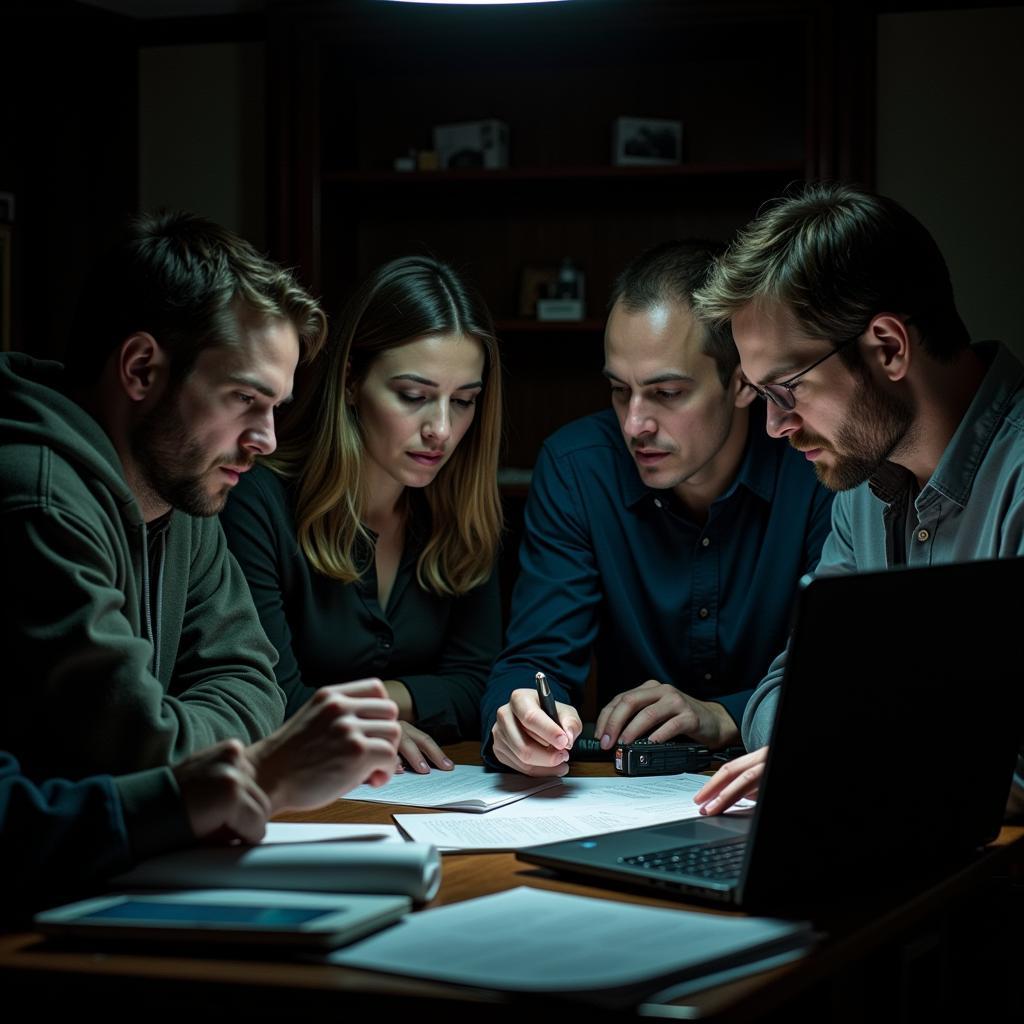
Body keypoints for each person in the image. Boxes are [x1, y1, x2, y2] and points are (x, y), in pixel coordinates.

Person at [0, 211, 401, 808]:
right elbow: (131, 751)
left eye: (275, 407)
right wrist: (249, 760)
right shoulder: (36, 496)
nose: (265, 439)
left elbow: (254, 686)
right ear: (141, 369)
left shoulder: (184, 487)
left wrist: (195, 739)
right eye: (244, 398)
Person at [690, 183, 1024, 817]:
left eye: (788, 389)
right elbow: (785, 692)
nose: (774, 426)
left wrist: (853, 753)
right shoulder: (863, 484)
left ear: (890, 347)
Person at [483, 241, 835, 776]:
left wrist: (724, 715)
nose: (634, 425)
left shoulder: (816, 466)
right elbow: (537, 658)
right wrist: (519, 718)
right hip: (625, 794)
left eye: (667, 393)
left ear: (743, 382)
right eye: (619, 391)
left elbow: (838, 678)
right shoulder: (577, 468)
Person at [221, 255, 504, 774]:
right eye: (414, 396)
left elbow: (481, 686)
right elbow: (269, 698)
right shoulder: (257, 501)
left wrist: (363, 710)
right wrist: (399, 709)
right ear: (351, 381)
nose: (440, 429)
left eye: (463, 401)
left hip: (428, 795)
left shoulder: (464, 513)